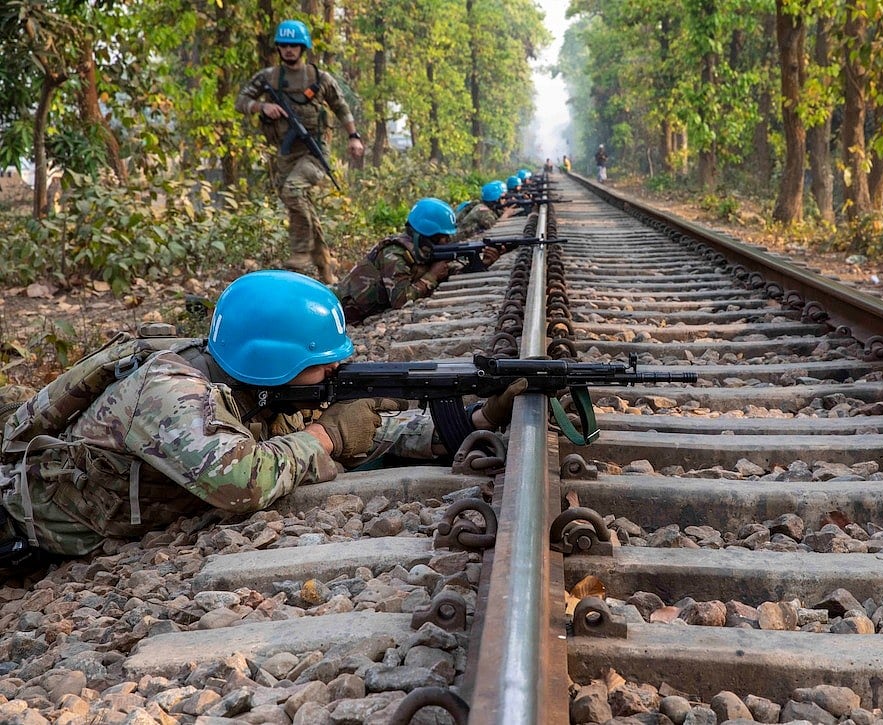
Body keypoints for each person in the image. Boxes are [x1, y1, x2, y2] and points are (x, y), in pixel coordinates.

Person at [0, 271, 524, 562]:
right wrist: (325, 436)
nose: (339, 366)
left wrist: (472, 422)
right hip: (22, 529)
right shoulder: (170, 393)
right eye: (324, 362)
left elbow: (370, 435)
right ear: (275, 364)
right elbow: (241, 480)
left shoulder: (257, 389)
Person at [235, 20, 365, 285]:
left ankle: (300, 253)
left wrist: (353, 137)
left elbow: (341, 107)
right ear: (278, 48)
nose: (289, 50)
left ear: (303, 47)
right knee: (298, 204)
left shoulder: (319, 78)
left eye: (294, 45)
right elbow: (241, 101)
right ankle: (325, 263)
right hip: (286, 153)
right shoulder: (268, 77)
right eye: (284, 45)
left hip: (315, 153)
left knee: (294, 191)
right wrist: (262, 108)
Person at [335, 198, 459, 325]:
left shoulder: (421, 251)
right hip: (336, 309)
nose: (446, 242)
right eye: (442, 237)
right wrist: (432, 276)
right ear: (428, 236)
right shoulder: (394, 254)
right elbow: (401, 301)